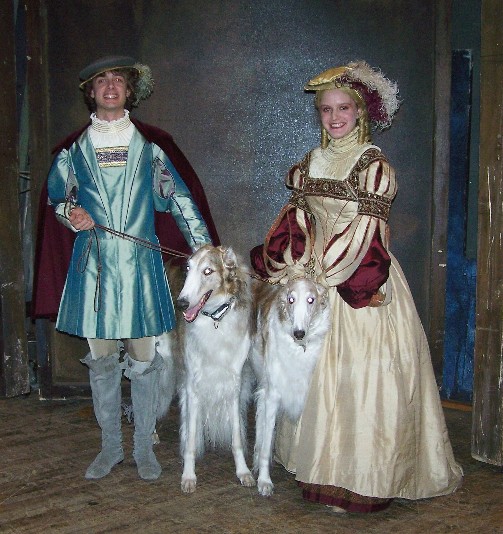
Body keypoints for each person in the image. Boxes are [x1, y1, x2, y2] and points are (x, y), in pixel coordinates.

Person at [251, 61, 463, 512]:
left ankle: (365, 478)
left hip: (361, 277)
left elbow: (367, 230)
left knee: (363, 379)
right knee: (318, 378)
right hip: (315, 277)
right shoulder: (311, 161)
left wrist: (325, 275)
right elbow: (298, 218)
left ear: (360, 112)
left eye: (343, 108)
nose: (334, 117)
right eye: (326, 110)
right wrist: (295, 262)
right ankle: (322, 470)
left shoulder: (373, 163)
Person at [35, 55, 219, 481]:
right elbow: (58, 201)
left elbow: (178, 200)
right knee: (101, 360)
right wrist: (70, 213)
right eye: (102, 80)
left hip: (139, 268)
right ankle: (110, 447)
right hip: (94, 270)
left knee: (143, 357)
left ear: (130, 91)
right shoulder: (72, 153)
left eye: (119, 79)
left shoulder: (151, 149)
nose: (111, 86)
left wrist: (203, 248)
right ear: (91, 92)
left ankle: (143, 447)